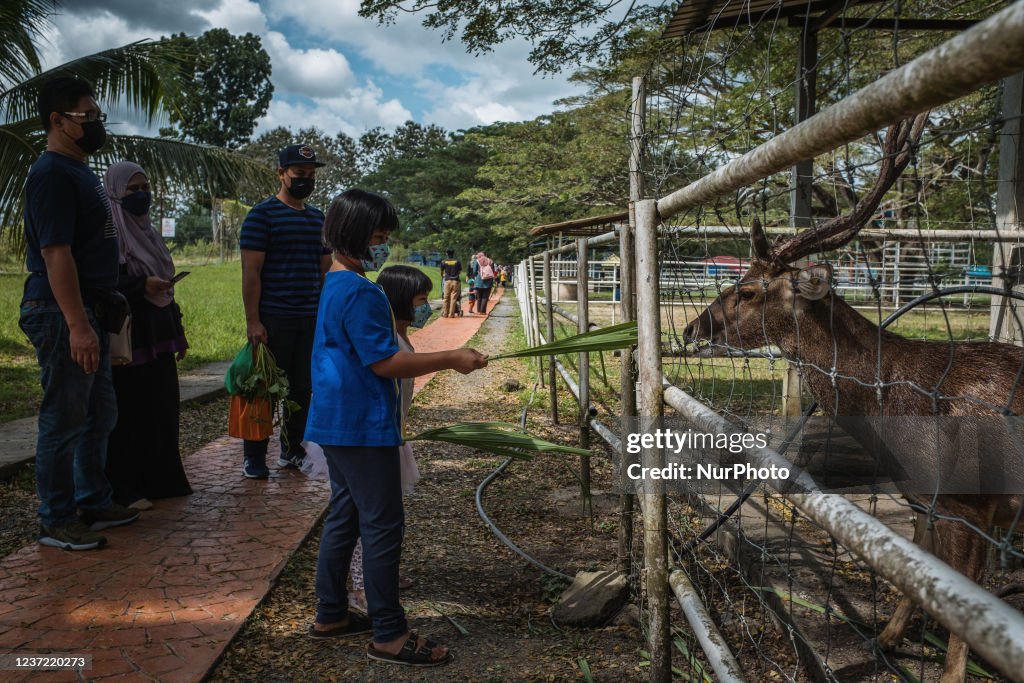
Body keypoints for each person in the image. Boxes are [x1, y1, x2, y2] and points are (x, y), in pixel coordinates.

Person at [305, 188, 486, 667]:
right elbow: (385, 362)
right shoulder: (363, 293)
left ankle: (331, 613)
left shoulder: (335, 282)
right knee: (382, 526)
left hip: (334, 421)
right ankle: (389, 632)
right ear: (355, 234)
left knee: (344, 516)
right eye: (379, 236)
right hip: (362, 425)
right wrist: (452, 358)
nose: (383, 245)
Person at [19, 77, 140, 551]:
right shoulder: (51, 174)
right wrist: (77, 325)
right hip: (60, 309)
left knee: (98, 411)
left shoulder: (79, 170)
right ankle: (56, 517)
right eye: (87, 116)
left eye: (96, 116)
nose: (95, 123)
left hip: (89, 306)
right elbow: (55, 254)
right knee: (65, 416)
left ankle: (93, 497)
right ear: (57, 121)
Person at [104, 161, 192, 511]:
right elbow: (106, 283)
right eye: (132, 190)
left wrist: (178, 330)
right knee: (129, 413)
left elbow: (166, 288)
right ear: (114, 193)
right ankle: (127, 487)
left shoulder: (149, 234)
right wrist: (141, 285)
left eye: (145, 189)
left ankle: (162, 480)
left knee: (161, 408)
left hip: (159, 333)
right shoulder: (109, 234)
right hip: (129, 337)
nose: (142, 196)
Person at [239, 144, 331, 479]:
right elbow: (251, 273)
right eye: (298, 174)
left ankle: (291, 451)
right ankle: (254, 456)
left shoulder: (318, 218)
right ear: (281, 174)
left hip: (309, 318)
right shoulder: (261, 216)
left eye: (310, 175)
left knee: (301, 389)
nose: (305, 179)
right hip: (273, 319)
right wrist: (253, 321)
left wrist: (327, 316)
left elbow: (326, 271)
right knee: (262, 390)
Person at [346, 264, 430, 613]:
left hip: (392, 432)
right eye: (421, 300)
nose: (426, 307)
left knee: (382, 513)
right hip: (376, 437)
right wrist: (453, 359)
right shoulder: (387, 341)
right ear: (400, 301)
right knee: (371, 517)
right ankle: (363, 589)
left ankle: (382, 574)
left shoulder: (399, 334)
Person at [438, 249, 462, 317]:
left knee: (446, 298)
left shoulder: (443, 261)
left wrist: (444, 276)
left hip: (447, 281)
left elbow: (441, 272)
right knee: (453, 298)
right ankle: (451, 314)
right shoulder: (457, 261)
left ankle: (445, 313)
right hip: (455, 281)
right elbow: (459, 271)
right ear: (453, 253)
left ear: (446, 254)